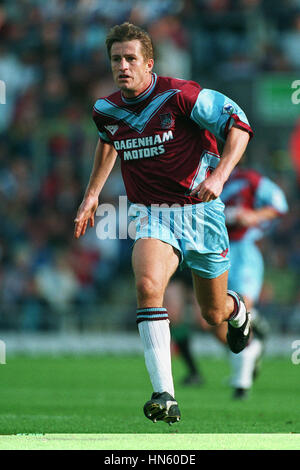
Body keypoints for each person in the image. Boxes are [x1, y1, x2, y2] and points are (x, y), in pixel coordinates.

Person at [74, 22, 253, 425]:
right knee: (147, 285)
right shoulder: (105, 110)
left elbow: (238, 125)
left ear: (148, 62)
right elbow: (109, 142)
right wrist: (91, 195)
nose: (122, 66)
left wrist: (221, 174)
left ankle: (236, 309)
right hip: (152, 213)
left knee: (211, 314)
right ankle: (164, 395)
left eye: (130, 58)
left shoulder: (181, 94)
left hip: (201, 211)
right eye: (116, 59)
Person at [166, 166, 288, 399]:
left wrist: (254, 216)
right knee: (212, 321)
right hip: (210, 249)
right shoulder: (197, 177)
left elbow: (279, 204)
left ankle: (242, 380)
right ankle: (251, 341)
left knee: (242, 306)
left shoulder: (248, 179)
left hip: (241, 251)